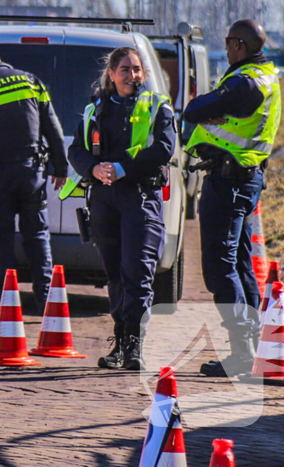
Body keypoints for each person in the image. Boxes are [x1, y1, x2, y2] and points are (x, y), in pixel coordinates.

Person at [65, 47, 176, 371]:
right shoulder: (94, 109)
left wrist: (124, 168)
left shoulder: (157, 106)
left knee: (137, 275)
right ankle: (119, 340)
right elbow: (76, 150)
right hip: (104, 200)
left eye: (137, 69)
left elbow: (164, 148)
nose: (133, 75)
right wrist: (94, 169)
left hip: (140, 198)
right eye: (125, 70)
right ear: (111, 74)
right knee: (113, 274)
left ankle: (133, 345)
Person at [183, 19, 280, 377]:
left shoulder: (245, 80)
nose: (225, 49)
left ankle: (241, 353)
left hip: (229, 181)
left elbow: (194, 110)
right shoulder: (266, 75)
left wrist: (207, 108)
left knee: (220, 267)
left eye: (227, 43)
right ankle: (249, 349)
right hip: (244, 178)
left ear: (238, 44)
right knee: (239, 262)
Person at [0, 39, 68, 321]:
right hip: (33, 173)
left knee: (2, 241)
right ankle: (46, 301)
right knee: (38, 237)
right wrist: (60, 166)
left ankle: (4, 305)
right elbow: (52, 126)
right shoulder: (30, 81)